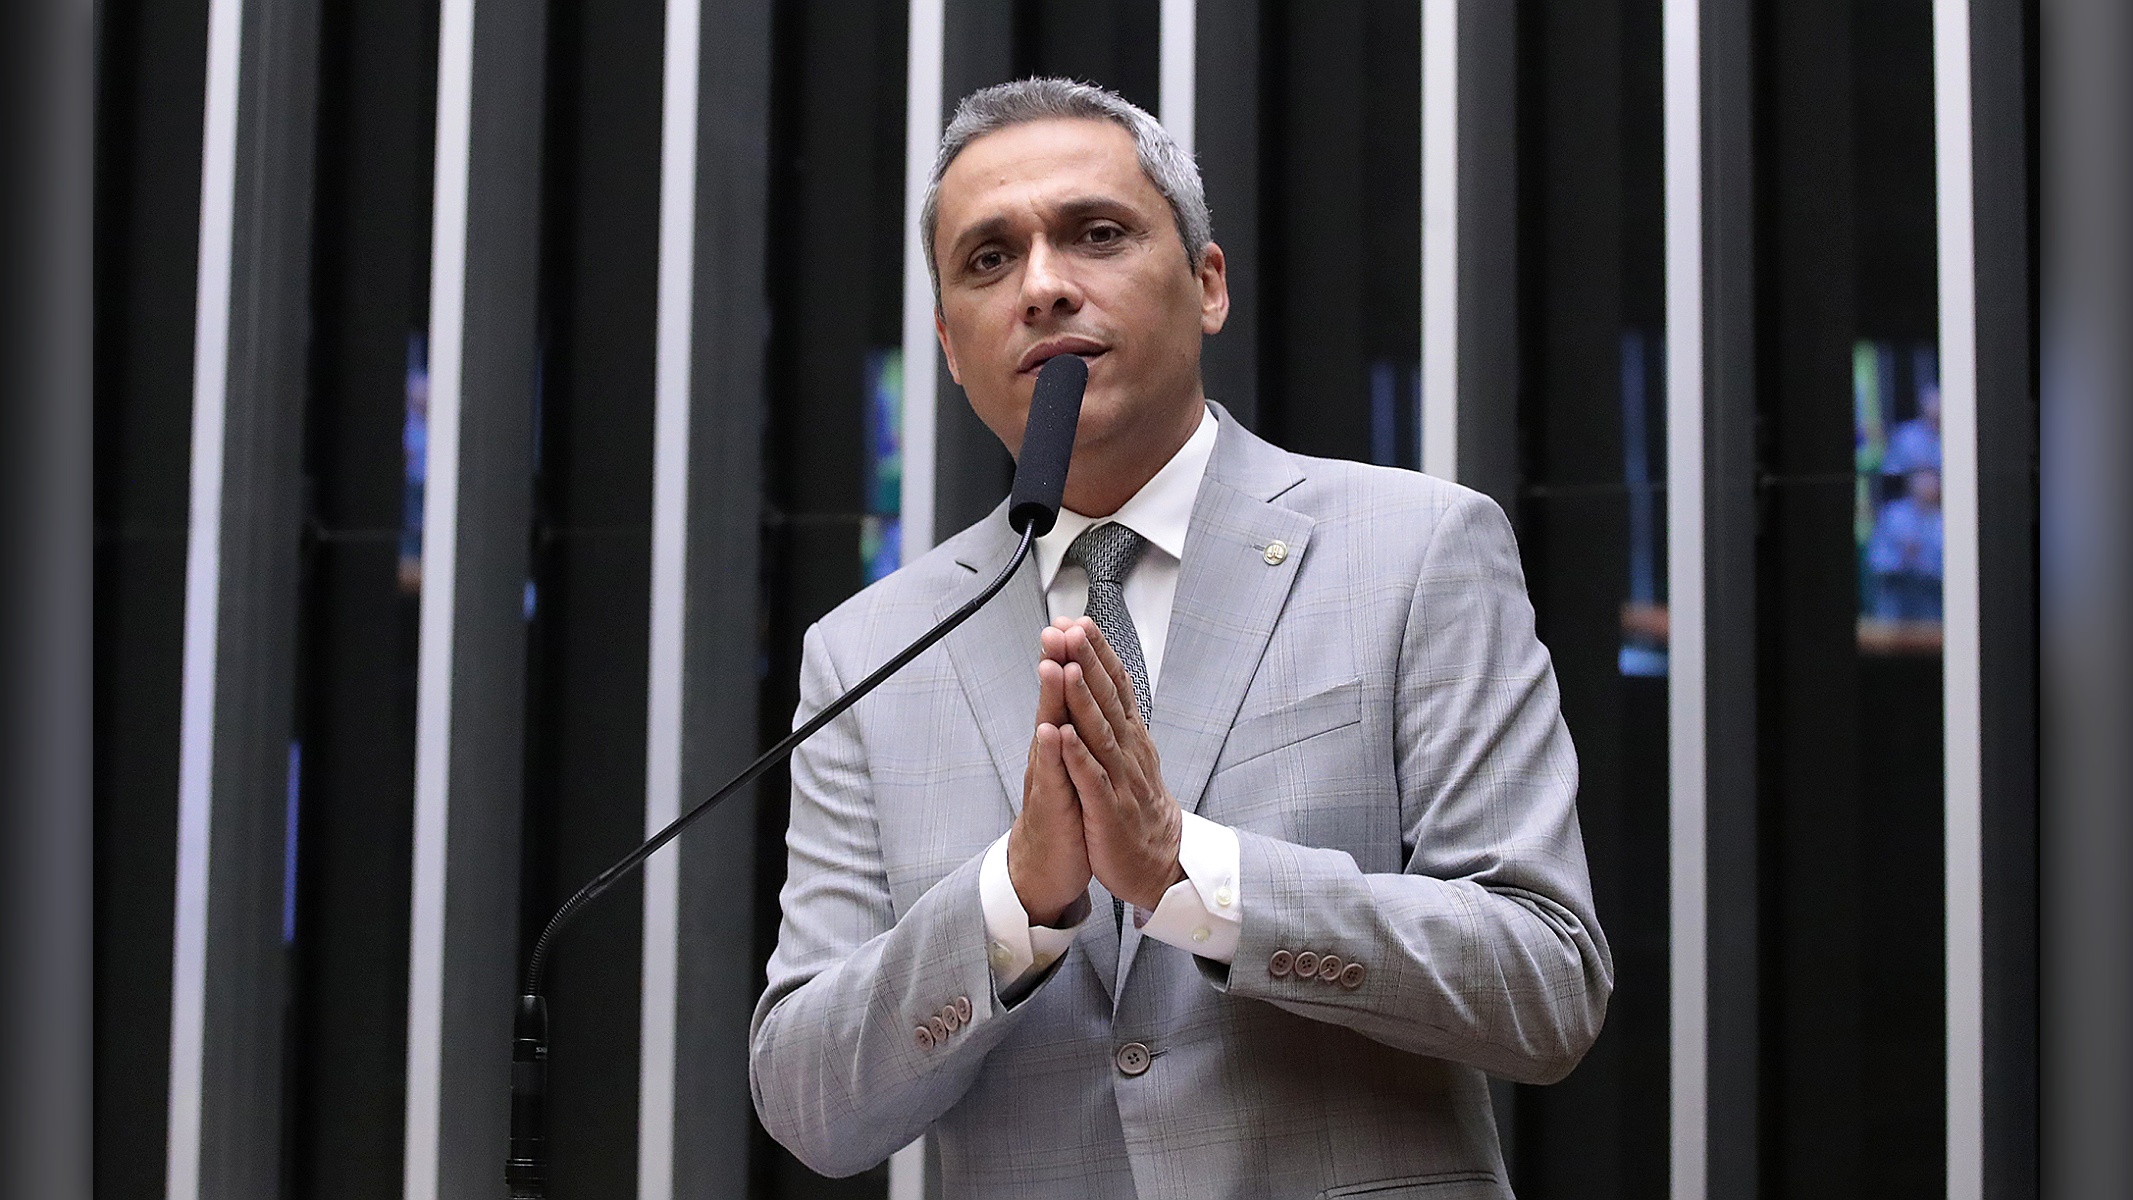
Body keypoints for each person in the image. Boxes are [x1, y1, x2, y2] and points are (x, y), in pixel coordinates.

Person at [749, 78, 1611, 1199]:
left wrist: (1191, 874)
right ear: (950, 348)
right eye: (989, 259)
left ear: (1208, 285)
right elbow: (807, 1102)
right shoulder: (868, 652)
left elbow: (1546, 983)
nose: (1044, 286)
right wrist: (1013, 901)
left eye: (1096, 234)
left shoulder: (1416, 550)